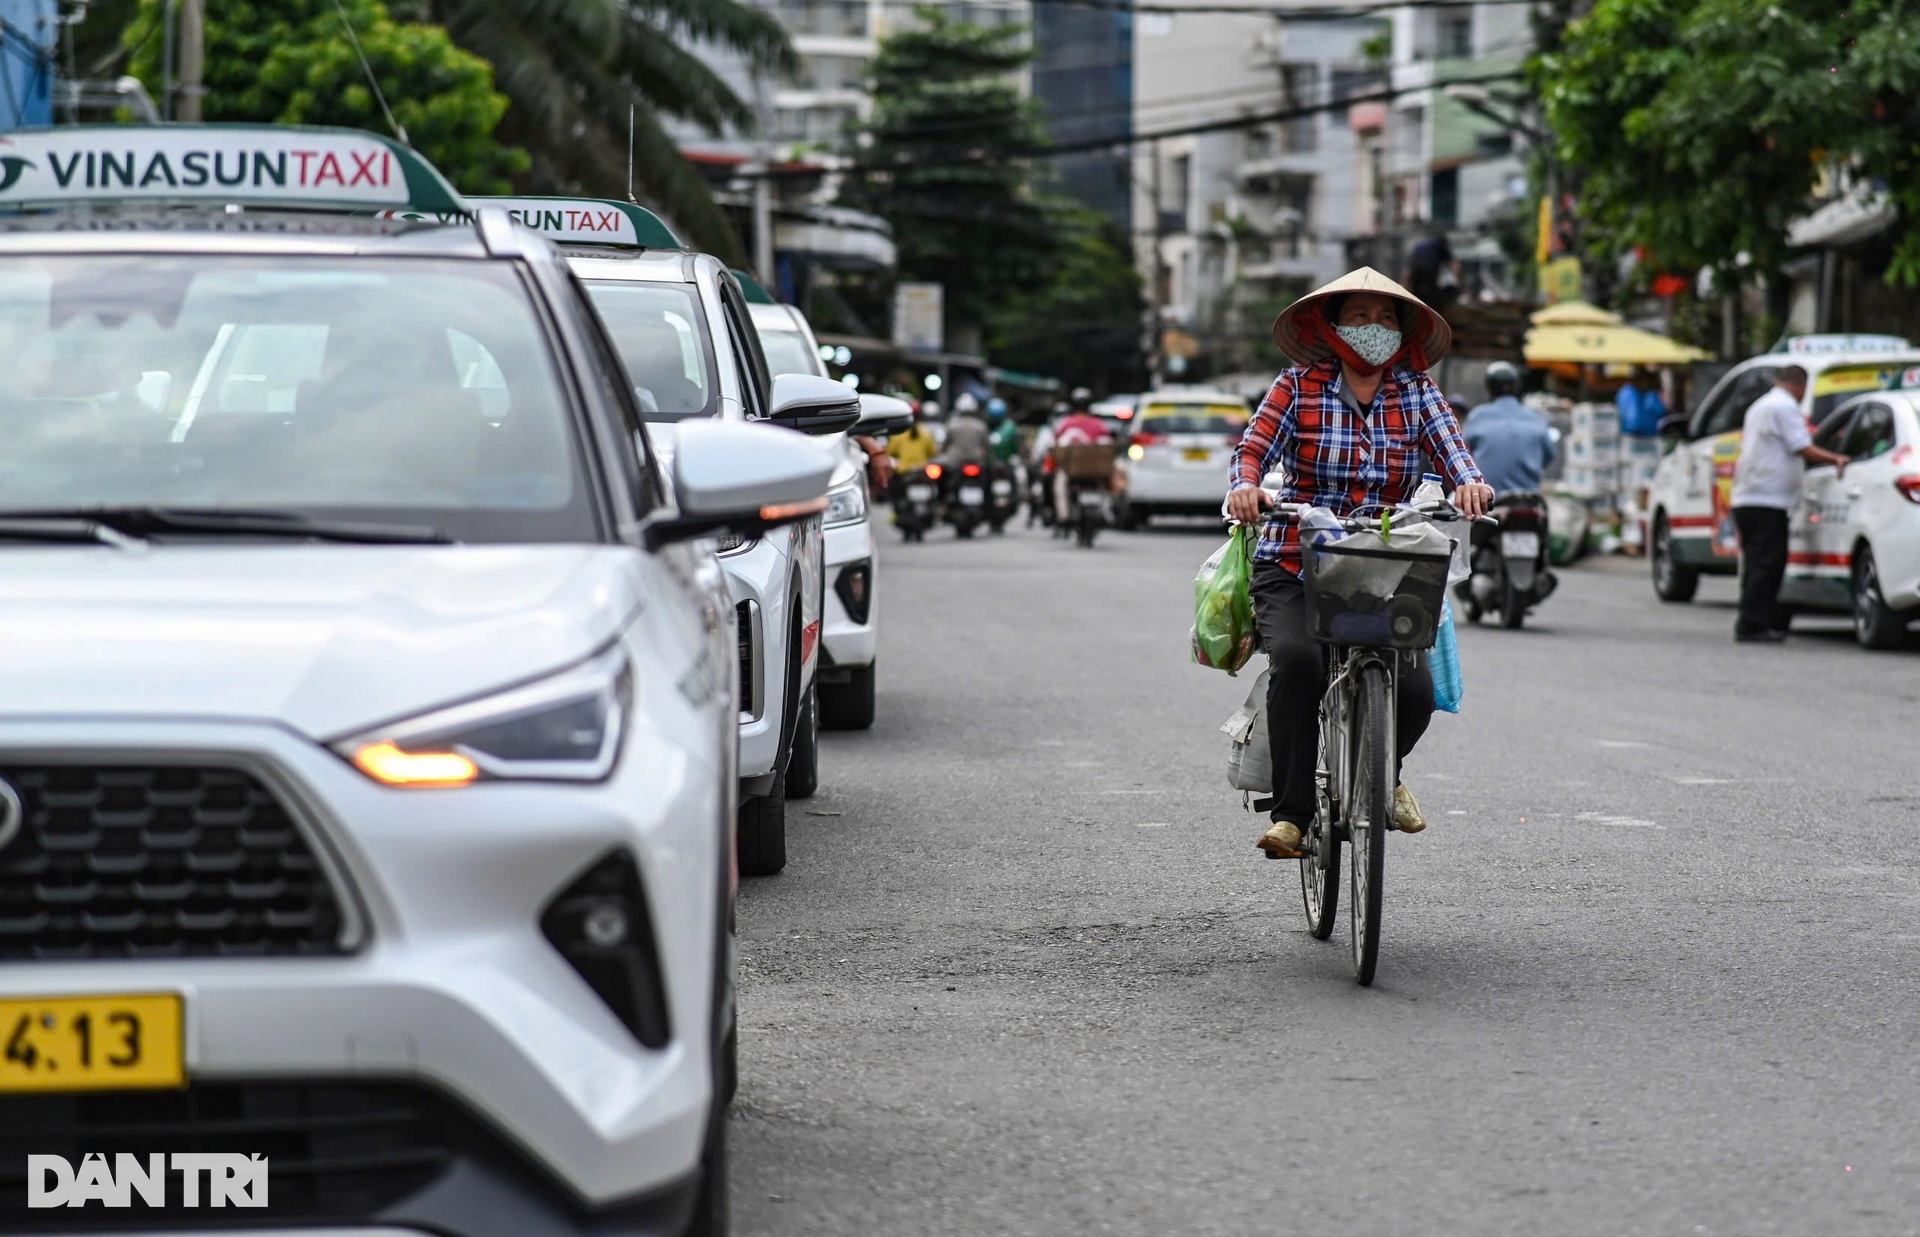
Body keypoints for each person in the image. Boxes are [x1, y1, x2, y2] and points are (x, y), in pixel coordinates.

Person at [1225, 267, 1493, 859]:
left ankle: (1381, 774)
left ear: (1403, 331)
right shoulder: (1297, 386)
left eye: (1386, 317)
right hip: (1297, 558)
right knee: (1298, 664)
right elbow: (1252, 449)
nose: (1374, 328)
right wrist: (1248, 488)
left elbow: (1453, 451)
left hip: (1386, 559)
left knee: (1417, 692)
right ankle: (1292, 815)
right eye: (1360, 316)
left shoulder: (1417, 392)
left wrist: (1471, 485)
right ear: (1332, 325)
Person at [1729, 365, 1848, 643]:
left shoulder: (1761, 406)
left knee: (1756, 563)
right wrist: (1836, 459)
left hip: (1749, 496)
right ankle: (1753, 624)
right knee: (1768, 563)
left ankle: (1752, 619)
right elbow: (1801, 446)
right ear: (1800, 386)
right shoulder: (1784, 407)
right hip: (1766, 499)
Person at [1462, 361, 1556, 494]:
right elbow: (1549, 455)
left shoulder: (1478, 416)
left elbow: (1462, 453)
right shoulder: (1535, 418)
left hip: (1486, 498)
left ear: (1489, 388)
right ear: (1516, 386)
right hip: (1529, 499)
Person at [1051, 388, 1113, 524]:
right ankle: (1107, 511)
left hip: (1073, 469)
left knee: (1059, 484)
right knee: (1108, 482)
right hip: (1096, 469)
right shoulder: (1099, 424)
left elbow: (1056, 446)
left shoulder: (1065, 424)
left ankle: (1064, 514)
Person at [1404, 230, 1460, 314]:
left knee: (1417, 292)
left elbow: (1408, 270)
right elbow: (1455, 266)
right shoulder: (1441, 246)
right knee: (1432, 292)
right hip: (1429, 265)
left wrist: (1404, 286)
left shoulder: (1420, 245)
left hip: (1416, 267)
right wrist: (1460, 283)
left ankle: (1416, 311)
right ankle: (1433, 313)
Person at [936, 393, 992, 466]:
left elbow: (945, 445)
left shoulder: (952, 425)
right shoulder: (981, 425)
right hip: (976, 461)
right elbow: (987, 446)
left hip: (955, 461)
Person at [887, 401, 941, 474]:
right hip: (922, 470)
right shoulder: (926, 432)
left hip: (903, 471)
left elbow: (890, 451)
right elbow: (932, 452)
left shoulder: (899, 433)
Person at [1616, 367, 1668, 438]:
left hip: (1648, 437)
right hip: (1636, 437)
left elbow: (1660, 413)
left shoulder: (1649, 395)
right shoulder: (1630, 393)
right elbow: (1633, 421)